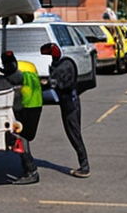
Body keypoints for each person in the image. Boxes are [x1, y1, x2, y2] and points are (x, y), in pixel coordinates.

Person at [47, 43, 90, 178]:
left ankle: (85, 166)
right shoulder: (63, 64)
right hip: (70, 103)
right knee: (73, 133)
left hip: (70, 105)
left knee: (74, 134)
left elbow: (61, 83)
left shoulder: (64, 68)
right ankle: (84, 165)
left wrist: (51, 83)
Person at [5, 56, 43, 185]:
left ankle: (31, 171)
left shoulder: (14, 74)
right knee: (24, 136)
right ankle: (28, 170)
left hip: (27, 106)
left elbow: (16, 95)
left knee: (21, 137)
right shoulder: (28, 65)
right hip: (37, 103)